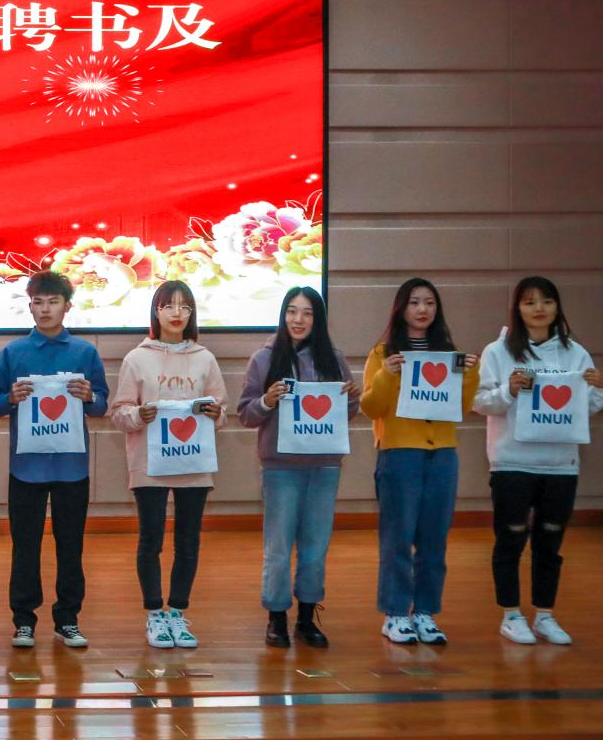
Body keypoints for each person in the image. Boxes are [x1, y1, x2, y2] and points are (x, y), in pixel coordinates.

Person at [471, 276, 602, 646]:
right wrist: (509, 390)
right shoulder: (497, 352)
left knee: (550, 543)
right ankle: (511, 615)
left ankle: (545, 614)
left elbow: (587, 408)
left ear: (557, 307)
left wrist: (599, 387)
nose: (539, 308)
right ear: (517, 308)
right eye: (530, 302)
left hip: (561, 465)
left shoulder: (576, 353)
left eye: (547, 301)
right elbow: (479, 402)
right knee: (510, 540)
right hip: (512, 463)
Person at [360, 277, 481, 645]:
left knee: (434, 538)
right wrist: (386, 374)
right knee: (397, 538)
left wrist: (470, 374)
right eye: (414, 302)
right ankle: (396, 613)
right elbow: (370, 407)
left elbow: (461, 407)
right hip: (399, 453)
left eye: (429, 302)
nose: (422, 309)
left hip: (442, 454)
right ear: (401, 308)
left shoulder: (450, 354)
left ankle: (425, 611)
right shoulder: (383, 353)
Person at [236, 286, 358, 649]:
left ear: (318, 319)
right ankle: (276, 617)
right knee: (278, 547)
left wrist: (352, 399)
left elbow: (346, 413)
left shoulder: (333, 359)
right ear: (283, 315)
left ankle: (306, 617)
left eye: (307, 312)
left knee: (316, 547)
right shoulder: (263, 359)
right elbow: (245, 414)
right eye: (292, 311)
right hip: (280, 468)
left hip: (325, 467)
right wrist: (266, 400)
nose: (298, 319)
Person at [0, 270, 108, 650]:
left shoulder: (85, 353)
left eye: (53, 302)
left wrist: (89, 396)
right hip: (25, 468)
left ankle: (68, 619)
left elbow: (101, 405)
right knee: (24, 546)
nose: (45, 309)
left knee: (70, 546)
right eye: (38, 302)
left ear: (67, 306)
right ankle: (23, 621)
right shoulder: (13, 353)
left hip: (72, 468)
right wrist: (9, 398)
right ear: (30, 307)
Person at [111, 279, 227, 649]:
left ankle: (177, 612)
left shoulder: (205, 358)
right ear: (156, 311)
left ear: (192, 314)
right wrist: (138, 415)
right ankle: (154, 614)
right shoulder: (136, 358)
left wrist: (216, 413)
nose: (177, 313)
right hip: (150, 464)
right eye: (169, 305)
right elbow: (119, 411)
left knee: (188, 541)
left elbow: (221, 409)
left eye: (184, 306)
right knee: (151, 540)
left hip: (194, 463)